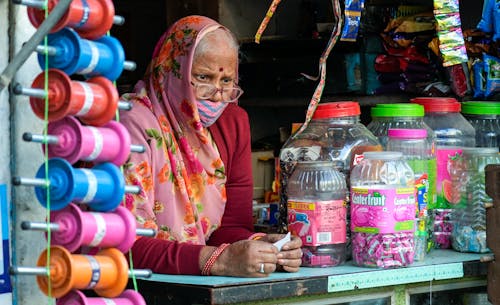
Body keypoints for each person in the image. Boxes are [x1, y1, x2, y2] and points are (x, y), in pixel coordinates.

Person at [119, 15, 303, 277]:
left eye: (227, 81)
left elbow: (229, 227)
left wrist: (260, 245)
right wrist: (217, 261)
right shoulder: (132, 126)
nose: (217, 95)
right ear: (172, 69)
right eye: (203, 78)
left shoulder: (232, 122)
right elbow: (125, 244)